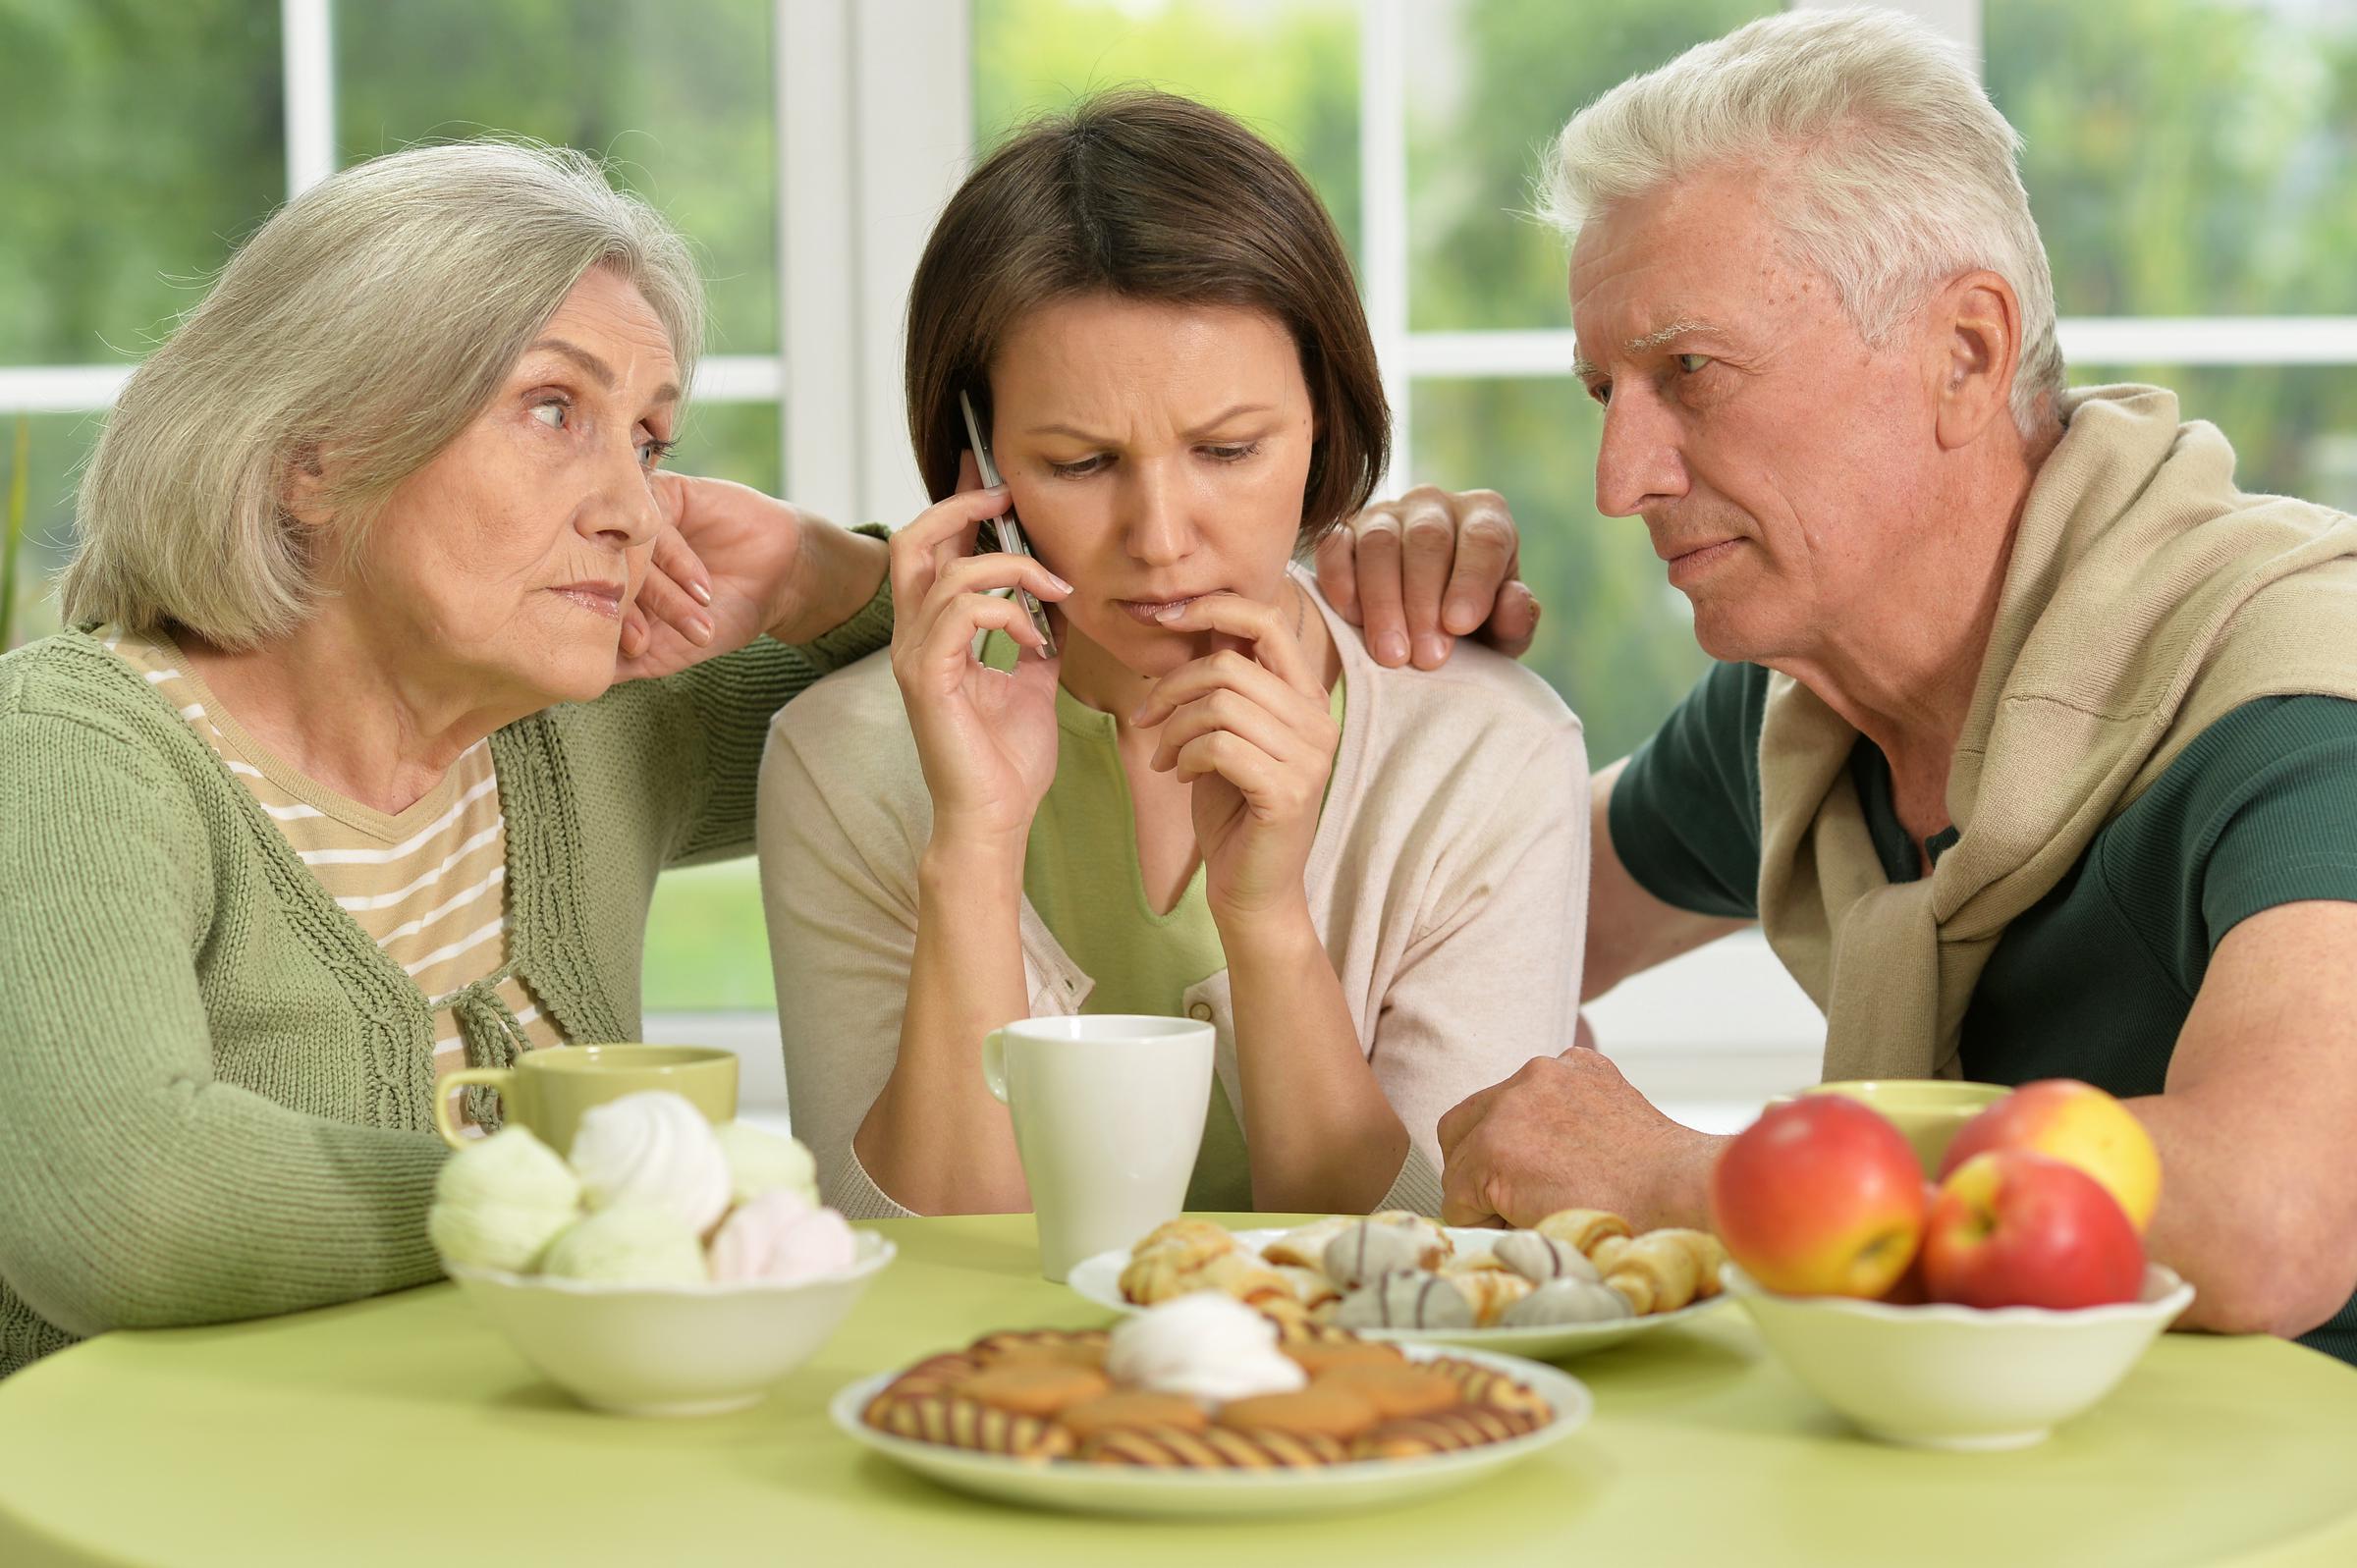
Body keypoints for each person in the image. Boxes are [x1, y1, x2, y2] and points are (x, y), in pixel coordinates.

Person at [0, 138, 1527, 1379]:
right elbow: (123, 1203)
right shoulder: (74, 746)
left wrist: (817, 571)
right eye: (554, 409)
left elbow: (1007, 644)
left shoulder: (585, 728)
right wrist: (653, 1200)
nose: (634, 507)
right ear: (312, 448)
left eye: (650, 439)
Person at [1413, 8, 2357, 1363]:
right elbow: (1446, 935)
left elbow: (2273, 1215)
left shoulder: (2294, 705)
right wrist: (1370, 662)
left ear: (1965, 353)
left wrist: (1692, 1179)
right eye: (1604, 391)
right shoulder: (1799, 712)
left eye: (1690, 372)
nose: (1623, 481)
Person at [759, 92, 1588, 1220]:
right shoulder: (844, 758)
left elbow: (1445, 1263)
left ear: (1325, 426)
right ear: (978, 457)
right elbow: (909, 1269)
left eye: (1229, 449)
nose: (1160, 537)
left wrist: (1271, 925)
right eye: (1081, 462)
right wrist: (974, 847)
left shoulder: (1487, 754)